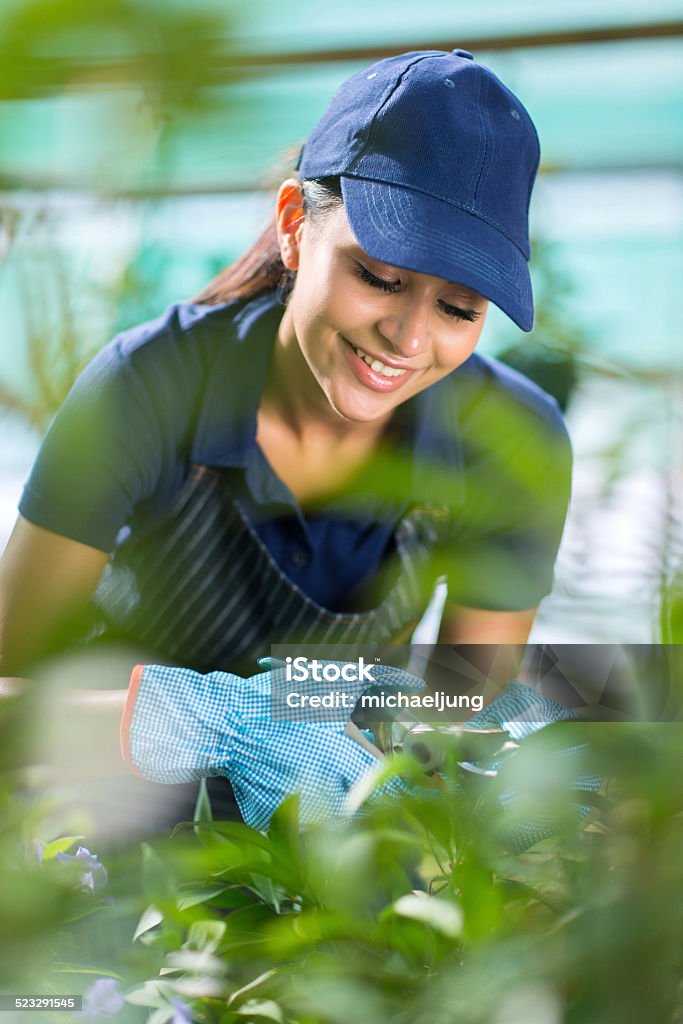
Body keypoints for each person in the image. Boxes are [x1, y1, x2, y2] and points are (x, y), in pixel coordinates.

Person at [0, 50, 574, 831]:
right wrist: (202, 719)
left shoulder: (511, 442)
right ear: (295, 226)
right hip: (99, 833)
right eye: (378, 277)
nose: (407, 340)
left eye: (459, 308)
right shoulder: (145, 389)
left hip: (329, 860)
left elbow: (462, 714)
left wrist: (407, 719)